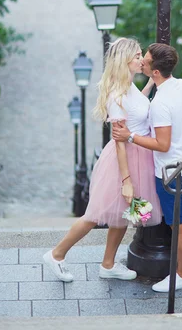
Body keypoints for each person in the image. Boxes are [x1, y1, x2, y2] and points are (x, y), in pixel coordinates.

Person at [43, 38, 162, 283]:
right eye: (138, 55)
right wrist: (126, 179)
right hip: (124, 159)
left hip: (138, 155)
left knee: (122, 215)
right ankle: (56, 254)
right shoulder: (117, 94)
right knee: (95, 215)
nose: (142, 59)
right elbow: (119, 140)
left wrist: (151, 83)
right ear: (126, 59)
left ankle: (108, 264)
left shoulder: (128, 86)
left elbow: (137, 106)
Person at [113, 42, 182, 293]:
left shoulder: (159, 104)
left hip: (172, 173)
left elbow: (162, 144)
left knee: (177, 224)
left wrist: (130, 137)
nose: (142, 62)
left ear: (155, 72)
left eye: (145, 60)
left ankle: (181, 275)